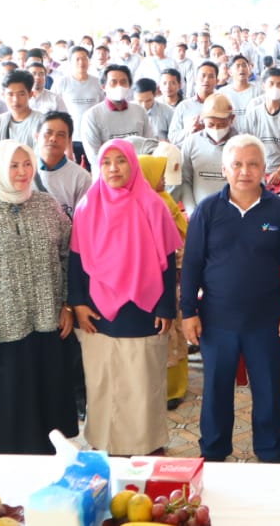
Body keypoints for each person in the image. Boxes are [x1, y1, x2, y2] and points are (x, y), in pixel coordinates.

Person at [181, 135, 280, 462]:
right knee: (216, 391)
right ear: (224, 169)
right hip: (216, 321)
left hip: (266, 321)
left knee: (266, 391)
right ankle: (214, 451)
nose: (245, 171)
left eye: (252, 164)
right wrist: (188, 311)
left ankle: (270, 450)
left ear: (264, 168)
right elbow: (191, 263)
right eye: (237, 164)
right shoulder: (208, 210)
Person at [0, 139, 78, 454]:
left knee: (50, 411)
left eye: (26, 164)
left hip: (48, 325)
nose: (22, 172)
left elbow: (68, 256)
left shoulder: (47, 205)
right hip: (2, 332)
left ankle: (52, 471)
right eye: (13, 165)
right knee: (10, 413)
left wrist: (66, 305)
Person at [70, 140, 181, 456]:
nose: (114, 168)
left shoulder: (153, 205)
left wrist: (164, 306)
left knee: (141, 382)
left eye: (121, 161)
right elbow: (76, 260)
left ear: (133, 164)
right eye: (107, 162)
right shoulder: (87, 207)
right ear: (98, 167)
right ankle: (104, 441)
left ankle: (146, 444)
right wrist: (77, 303)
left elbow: (167, 259)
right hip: (98, 310)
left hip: (143, 308)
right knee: (102, 381)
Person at [138, 154, 190, 411]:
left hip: (175, 277)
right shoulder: (145, 203)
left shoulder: (165, 200)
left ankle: (174, 389)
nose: (162, 179)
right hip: (154, 279)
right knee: (161, 335)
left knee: (174, 334)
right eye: (157, 174)